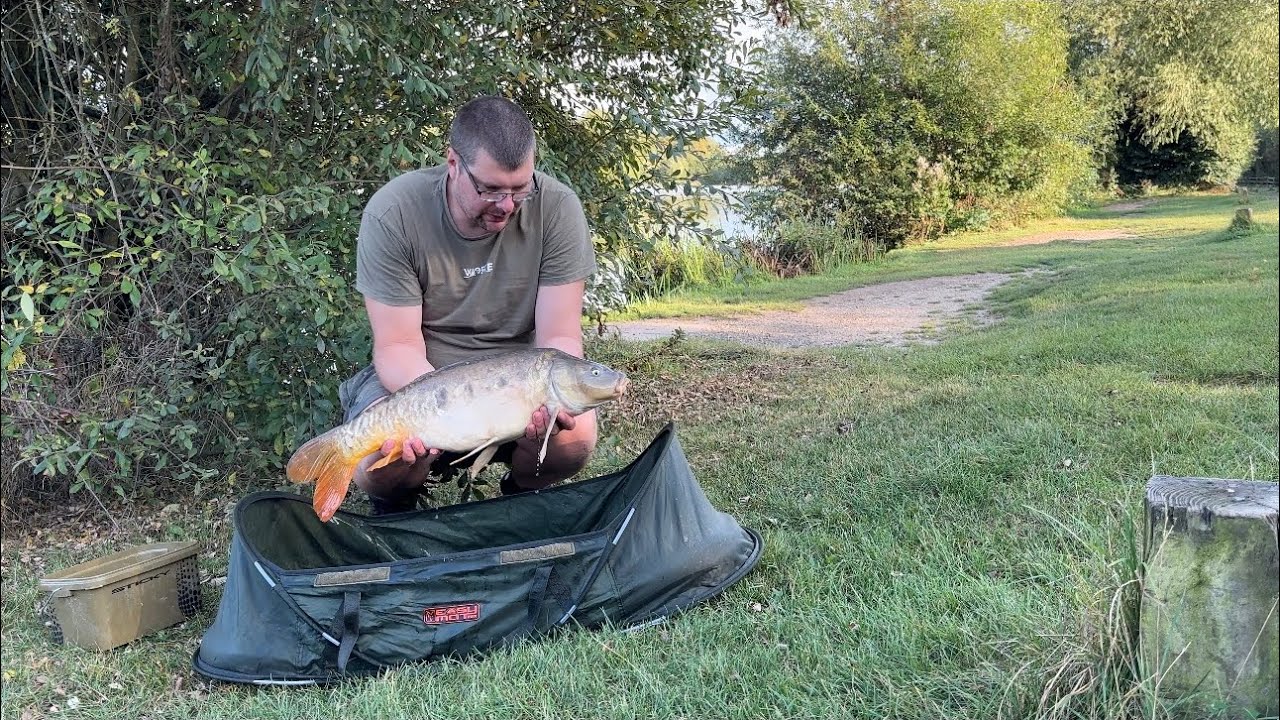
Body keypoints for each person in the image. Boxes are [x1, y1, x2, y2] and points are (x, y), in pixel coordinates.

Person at [338, 95, 598, 513]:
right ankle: (400, 505)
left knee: (577, 436)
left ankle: (521, 500)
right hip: (420, 374)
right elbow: (396, 346)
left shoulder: (558, 208)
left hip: (518, 378)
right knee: (376, 464)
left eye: (520, 189)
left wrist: (552, 400)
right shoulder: (394, 211)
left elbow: (559, 336)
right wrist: (440, 413)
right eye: (490, 189)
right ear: (453, 163)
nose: (507, 206)